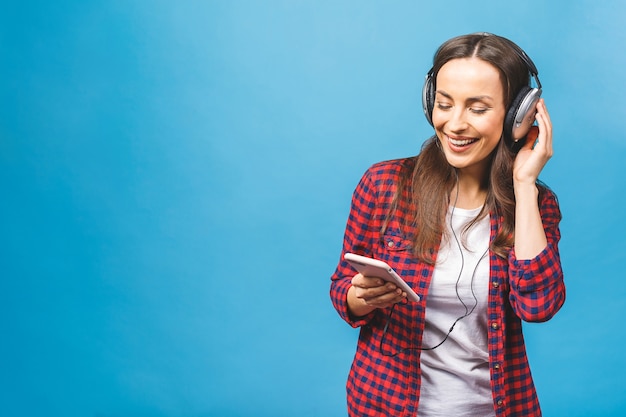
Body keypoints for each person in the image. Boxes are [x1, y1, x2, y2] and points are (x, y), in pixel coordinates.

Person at [329, 33, 565, 417]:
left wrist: (523, 186)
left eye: (477, 108)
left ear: (517, 116)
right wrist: (359, 298)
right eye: (444, 104)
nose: (454, 124)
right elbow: (342, 289)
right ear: (429, 103)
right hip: (385, 405)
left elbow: (538, 305)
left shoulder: (536, 206)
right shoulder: (383, 185)